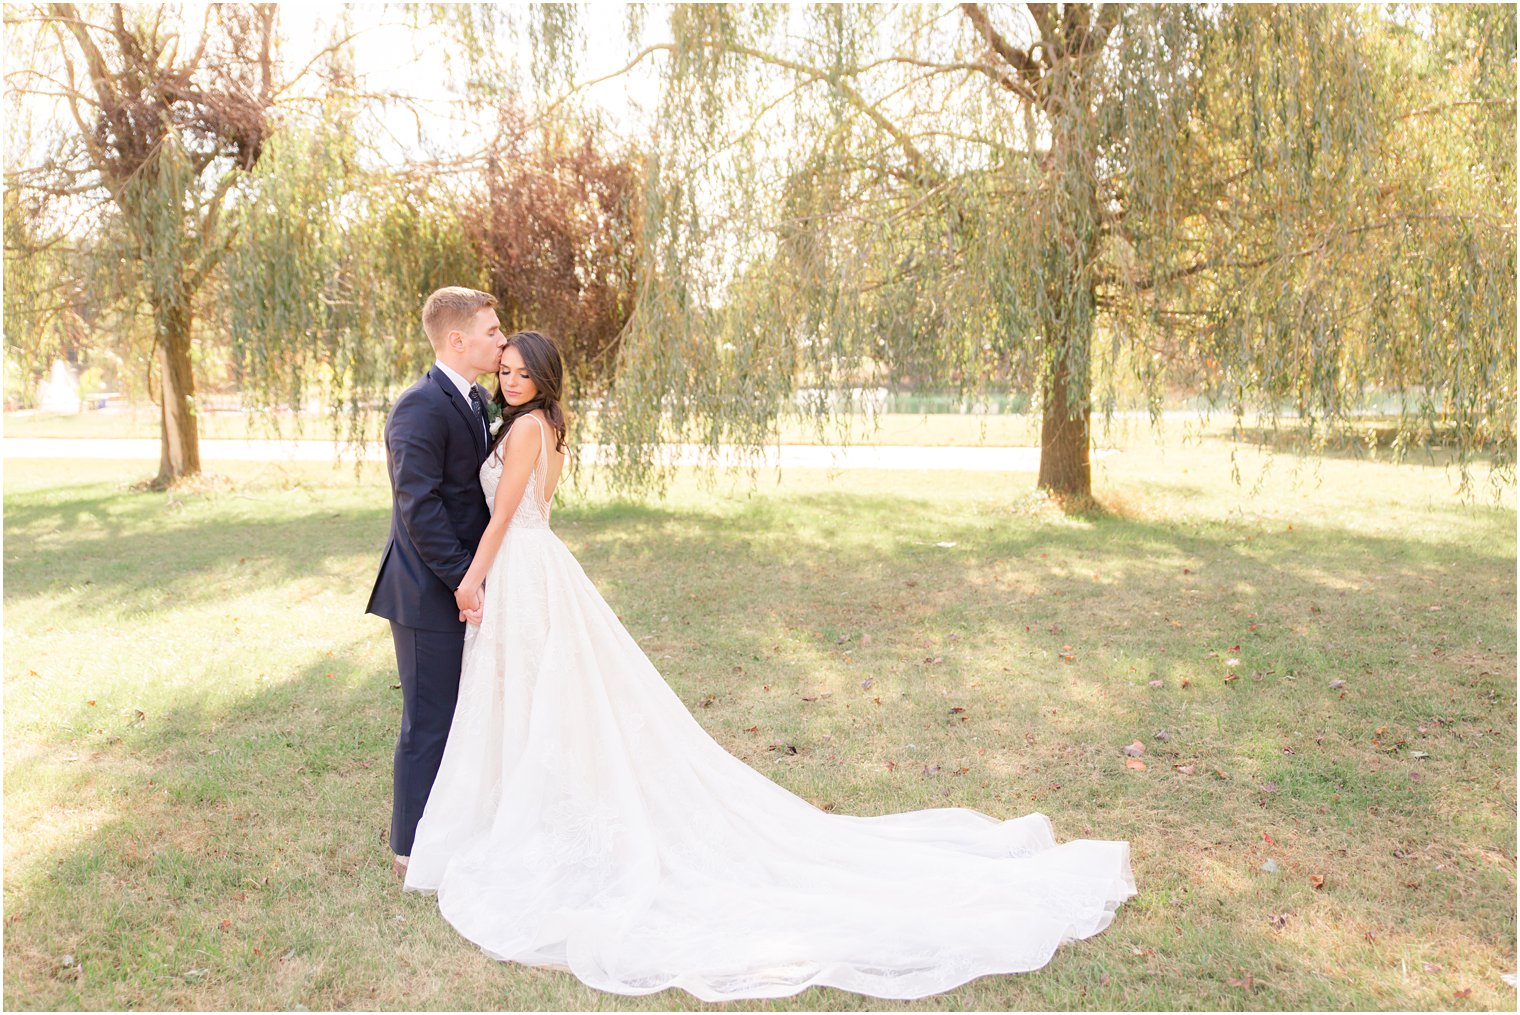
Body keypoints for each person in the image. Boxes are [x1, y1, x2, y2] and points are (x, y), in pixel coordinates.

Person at [405, 330, 1135, 1002]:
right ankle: (533, 807)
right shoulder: (546, 424)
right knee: (536, 697)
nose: (510, 378)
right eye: (505, 370)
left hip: (524, 565)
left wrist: (473, 577)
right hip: (539, 565)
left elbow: (504, 517)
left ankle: (536, 819)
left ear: (545, 379)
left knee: (535, 694)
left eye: (522, 372)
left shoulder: (529, 428)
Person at [366, 287, 505, 881]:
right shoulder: (419, 407)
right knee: (429, 720)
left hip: (463, 587)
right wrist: (463, 582)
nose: (502, 341)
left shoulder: (475, 401)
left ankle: (456, 829)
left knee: (463, 715)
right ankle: (409, 851)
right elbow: (418, 508)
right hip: (427, 594)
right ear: (458, 340)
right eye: (493, 332)